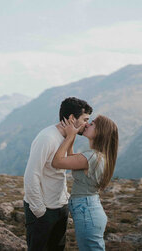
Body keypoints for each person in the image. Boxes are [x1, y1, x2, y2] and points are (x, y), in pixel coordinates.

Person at [23, 97, 93, 251]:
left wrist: (64, 202)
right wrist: (39, 210)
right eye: (85, 119)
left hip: (60, 207)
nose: (87, 124)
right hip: (43, 210)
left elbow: (63, 168)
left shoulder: (66, 137)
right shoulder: (47, 138)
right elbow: (31, 175)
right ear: (72, 118)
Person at [52, 115, 119, 251]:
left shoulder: (92, 157)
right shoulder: (97, 155)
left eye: (92, 124)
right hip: (89, 210)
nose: (87, 124)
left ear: (101, 132)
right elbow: (70, 158)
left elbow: (57, 162)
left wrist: (70, 136)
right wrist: (72, 135)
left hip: (87, 212)